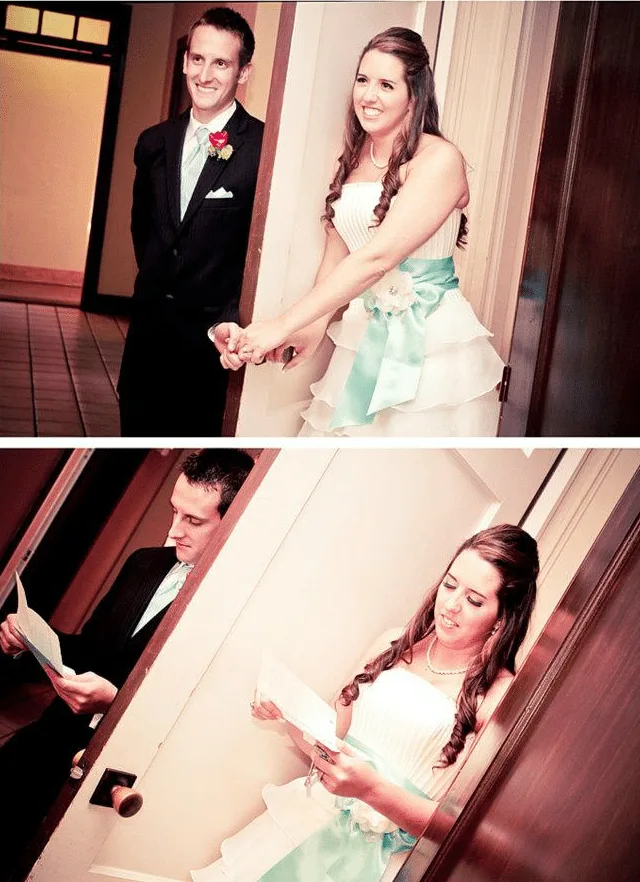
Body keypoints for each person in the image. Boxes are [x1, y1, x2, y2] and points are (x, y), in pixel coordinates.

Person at [191, 524, 539, 882]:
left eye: (474, 600)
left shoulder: (498, 697)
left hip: (371, 862)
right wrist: (287, 717)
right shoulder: (393, 644)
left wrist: (371, 790)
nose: (451, 605)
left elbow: (457, 829)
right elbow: (327, 742)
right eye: (450, 585)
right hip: (300, 820)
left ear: (502, 617)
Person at [215, 27, 504, 437]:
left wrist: (279, 324)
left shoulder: (440, 158)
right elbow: (338, 256)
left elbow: (377, 257)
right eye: (363, 80)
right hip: (362, 335)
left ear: (414, 94)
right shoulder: (355, 159)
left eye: (386, 84)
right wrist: (310, 331)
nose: (368, 96)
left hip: (429, 344)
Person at [0, 449, 254, 882]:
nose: (173, 532)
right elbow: (92, 653)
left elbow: (196, 721)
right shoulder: (143, 563)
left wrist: (113, 704)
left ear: (234, 521)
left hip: (109, 777)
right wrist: (29, 640)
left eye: (193, 521)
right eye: (174, 512)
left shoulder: (236, 609)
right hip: (47, 740)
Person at [118, 7, 264, 436]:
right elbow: (142, 232)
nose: (205, 74)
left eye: (221, 62)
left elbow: (256, 253)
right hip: (145, 348)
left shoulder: (261, 149)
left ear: (243, 73)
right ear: (185, 62)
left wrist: (228, 319)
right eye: (197, 59)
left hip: (210, 355)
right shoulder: (153, 142)